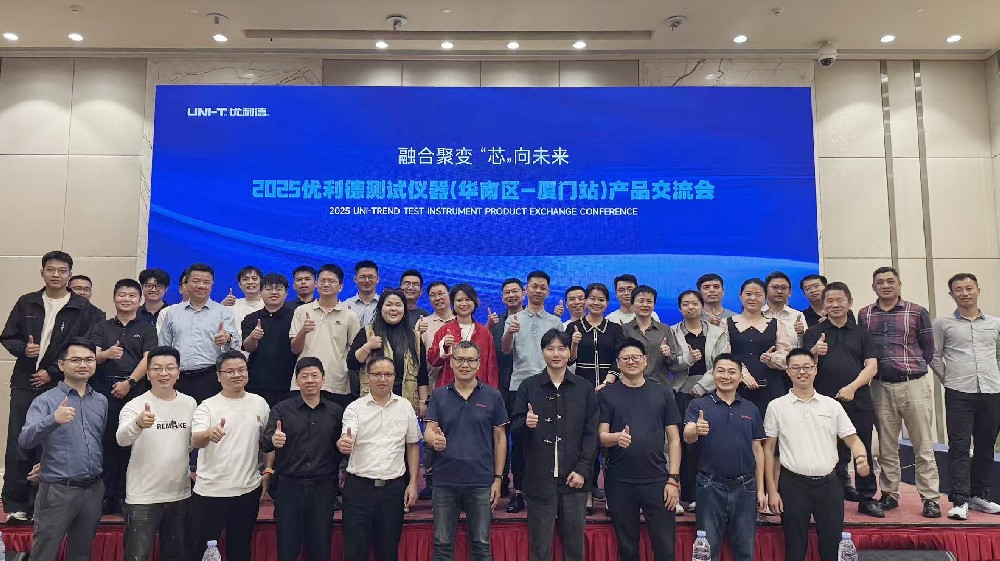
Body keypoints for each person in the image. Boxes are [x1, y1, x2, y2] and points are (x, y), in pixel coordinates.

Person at [1, 250, 104, 523]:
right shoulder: (27, 302)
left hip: (59, 385)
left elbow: (85, 347)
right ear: (42, 272)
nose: (56, 275)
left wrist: (52, 372)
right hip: (25, 382)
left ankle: (41, 504)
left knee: (53, 445)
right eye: (50, 269)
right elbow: (8, 336)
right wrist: (23, 349)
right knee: (20, 441)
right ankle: (15, 504)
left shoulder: (84, 309)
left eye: (62, 270)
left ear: (70, 274)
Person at [764, 348, 871, 561]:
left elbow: (853, 439)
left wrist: (861, 457)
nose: (802, 372)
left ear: (815, 369)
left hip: (829, 485)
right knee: (794, 549)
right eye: (796, 368)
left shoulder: (832, 406)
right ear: (788, 371)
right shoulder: (776, 406)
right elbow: (769, 450)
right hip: (793, 485)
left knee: (831, 548)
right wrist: (772, 491)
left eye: (807, 367)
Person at [858, 266, 941, 518]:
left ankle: (930, 498)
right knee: (886, 445)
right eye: (880, 282)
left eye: (890, 281)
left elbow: (928, 349)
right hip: (880, 385)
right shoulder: (864, 314)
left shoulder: (916, 311)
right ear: (873, 287)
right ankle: (889, 494)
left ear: (899, 284)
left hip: (913, 383)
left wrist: (911, 368)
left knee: (922, 444)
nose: (885, 286)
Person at [511, 329, 598, 561]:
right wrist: (525, 423)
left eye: (561, 348)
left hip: (574, 479)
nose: (556, 354)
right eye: (550, 348)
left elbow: (591, 434)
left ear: (570, 352)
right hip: (539, 479)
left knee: (575, 549)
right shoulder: (528, 386)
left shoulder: (584, 388)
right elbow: (515, 426)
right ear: (543, 352)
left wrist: (582, 469)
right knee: (540, 550)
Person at [18, 337, 107, 561]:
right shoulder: (45, 401)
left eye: (89, 359)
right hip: (58, 490)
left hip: (93, 489)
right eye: (76, 360)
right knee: (44, 553)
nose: (83, 364)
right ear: (61, 364)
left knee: (81, 554)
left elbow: (95, 442)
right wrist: (53, 420)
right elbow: (25, 440)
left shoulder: (101, 401)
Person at [802, 282, 882, 517]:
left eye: (840, 300)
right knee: (827, 451)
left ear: (850, 303)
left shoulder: (861, 333)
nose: (835, 305)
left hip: (858, 400)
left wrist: (852, 388)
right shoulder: (813, 333)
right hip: (823, 402)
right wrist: (814, 352)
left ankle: (866, 498)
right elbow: (802, 368)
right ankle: (831, 498)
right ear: (823, 305)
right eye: (830, 301)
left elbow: (872, 366)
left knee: (862, 448)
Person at [600, 338, 682, 561]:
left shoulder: (662, 392)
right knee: (627, 550)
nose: (631, 361)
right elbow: (601, 437)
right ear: (618, 363)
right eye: (625, 358)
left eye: (636, 357)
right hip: (619, 482)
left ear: (645, 361)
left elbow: (674, 439)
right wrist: (616, 438)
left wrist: (673, 479)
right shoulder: (607, 394)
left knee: (665, 550)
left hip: (658, 481)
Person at [425, 341, 508, 561]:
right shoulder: (439, 395)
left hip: (481, 481)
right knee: (442, 546)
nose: (465, 365)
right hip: (445, 481)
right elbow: (429, 431)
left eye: (471, 360)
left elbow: (500, 439)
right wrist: (434, 440)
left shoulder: (493, 396)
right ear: (451, 362)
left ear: (479, 363)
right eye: (460, 359)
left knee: (481, 545)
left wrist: (498, 478)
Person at [189, 350, 271, 561]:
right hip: (210, 493)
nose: (237, 375)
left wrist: (268, 469)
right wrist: (209, 433)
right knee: (203, 552)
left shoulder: (260, 403)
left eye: (241, 370)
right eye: (230, 371)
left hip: (247, 491)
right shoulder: (207, 406)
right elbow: (196, 440)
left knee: (241, 550)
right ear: (219, 376)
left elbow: (267, 442)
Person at [116, 346, 196, 561]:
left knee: (177, 556)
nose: (163, 373)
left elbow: (190, 443)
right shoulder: (135, 405)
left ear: (178, 372)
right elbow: (121, 439)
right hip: (143, 497)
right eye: (157, 368)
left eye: (170, 368)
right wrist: (137, 424)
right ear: (148, 373)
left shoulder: (190, 403)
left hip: (180, 494)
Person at [683, 354, 766, 561]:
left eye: (732, 372)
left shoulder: (751, 408)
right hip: (709, 485)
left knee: (745, 551)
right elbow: (687, 436)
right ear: (713, 374)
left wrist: (761, 489)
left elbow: (758, 449)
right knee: (706, 551)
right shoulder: (698, 405)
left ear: (740, 377)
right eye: (720, 371)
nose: (725, 376)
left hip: (745, 487)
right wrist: (696, 429)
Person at [338, 356, 421, 561]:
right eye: (377, 374)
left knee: (388, 551)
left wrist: (413, 483)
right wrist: (345, 442)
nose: (382, 379)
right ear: (368, 377)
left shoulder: (405, 407)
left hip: (393, 491)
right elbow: (348, 435)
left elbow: (412, 445)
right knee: (355, 553)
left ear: (394, 377)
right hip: (358, 489)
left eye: (387, 374)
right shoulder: (355, 408)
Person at [931, 273, 1000, 520]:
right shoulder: (943, 323)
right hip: (959, 392)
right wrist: (949, 380)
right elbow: (934, 355)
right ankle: (960, 500)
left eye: (969, 288)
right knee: (959, 446)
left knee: (985, 446)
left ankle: (979, 495)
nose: (965, 293)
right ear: (951, 295)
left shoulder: (995, 323)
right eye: (959, 289)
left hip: (991, 391)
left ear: (978, 290)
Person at [262, 357, 344, 561]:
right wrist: (274, 440)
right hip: (289, 489)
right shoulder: (281, 409)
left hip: (322, 489)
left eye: (315, 375)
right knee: (287, 549)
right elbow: (265, 443)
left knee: (320, 549)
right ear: (297, 380)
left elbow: (341, 448)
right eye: (304, 376)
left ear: (323, 379)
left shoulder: (335, 411)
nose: (310, 380)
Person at [89, 278, 158, 514]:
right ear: (114, 298)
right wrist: (106, 354)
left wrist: (129, 383)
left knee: (133, 441)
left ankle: (128, 495)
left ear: (139, 300)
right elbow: (92, 356)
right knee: (107, 441)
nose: (126, 299)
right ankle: (107, 496)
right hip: (104, 388)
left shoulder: (147, 328)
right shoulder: (102, 326)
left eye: (131, 295)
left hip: (135, 388)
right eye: (122, 294)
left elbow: (148, 359)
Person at [501, 271, 564, 513]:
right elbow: (506, 350)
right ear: (526, 290)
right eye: (534, 286)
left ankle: (546, 490)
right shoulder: (514, 318)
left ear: (548, 291)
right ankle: (519, 491)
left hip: (549, 385)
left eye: (543, 287)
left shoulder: (555, 321)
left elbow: (561, 355)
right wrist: (510, 332)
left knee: (549, 439)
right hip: (519, 386)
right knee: (520, 440)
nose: (538, 291)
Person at [566, 283, 625, 510]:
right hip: (582, 391)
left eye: (601, 299)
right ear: (585, 301)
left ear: (607, 303)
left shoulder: (615, 328)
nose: (596, 303)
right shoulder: (573, 327)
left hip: (610, 391)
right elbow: (569, 360)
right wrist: (574, 344)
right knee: (586, 441)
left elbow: (620, 358)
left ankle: (611, 495)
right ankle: (587, 493)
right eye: (592, 298)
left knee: (610, 443)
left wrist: (608, 382)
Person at [672, 290, 729, 511]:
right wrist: (686, 359)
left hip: (710, 392)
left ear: (701, 306)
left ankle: (706, 493)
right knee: (684, 443)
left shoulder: (717, 332)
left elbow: (722, 362)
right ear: (680, 308)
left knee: (708, 443)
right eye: (685, 304)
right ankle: (684, 494)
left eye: (695, 303)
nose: (691, 308)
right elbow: (669, 364)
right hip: (680, 392)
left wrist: (701, 386)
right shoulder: (672, 331)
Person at [158, 263, 241, 404]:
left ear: (212, 285)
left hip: (210, 377)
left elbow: (235, 344)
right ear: (186, 284)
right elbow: (163, 347)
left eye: (206, 282)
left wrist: (227, 338)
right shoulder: (172, 313)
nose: (201, 286)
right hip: (178, 377)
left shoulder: (223, 312)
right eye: (196, 281)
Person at [289, 264, 361, 410]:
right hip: (305, 381)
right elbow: (294, 349)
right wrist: (303, 331)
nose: (326, 284)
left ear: (340, 286)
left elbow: (355, 352)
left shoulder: (350, 315)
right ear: (316, 284)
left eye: (331, 281)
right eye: (322, 280)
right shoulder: (301, 311)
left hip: (337, 383)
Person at [348, 289, 430, 414]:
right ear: (380, 308)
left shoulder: (415, 337)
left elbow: (422, 374)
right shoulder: (367, 332)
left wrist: (423, 401)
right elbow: (351, 364)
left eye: (398, 305)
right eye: (388, 304)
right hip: (373, 404)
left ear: (404, 310)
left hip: (406, 403)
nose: (393, 309)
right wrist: (368, 347)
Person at [727, 278, 792, 416]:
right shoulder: (726, 324)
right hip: (735, 387)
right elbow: (723, 356)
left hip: (771, 388)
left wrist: (772, 358)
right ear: (740, 296)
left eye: (758, 295)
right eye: (748, 294)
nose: (753, 298)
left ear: (765, 298)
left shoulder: (777, 324)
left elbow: (787, 355)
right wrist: (742, 374)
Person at [242, 272, 298, 407]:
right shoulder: (251, 318)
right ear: (260, 293)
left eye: (279, 289)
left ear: (286, 293)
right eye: (268, 289)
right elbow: (248, 348)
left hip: (288, 384)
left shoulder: (296, 316)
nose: (273, 292)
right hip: (256, 383)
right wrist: (253, 337)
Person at [429, 283, 499, 388]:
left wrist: (492, 393)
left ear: (474, 302)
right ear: (453, 303)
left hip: (479, 390)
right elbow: (432, 360)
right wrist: (444, 347)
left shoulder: (484, 333)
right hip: (449, 389)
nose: (464, 303)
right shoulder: (444, 330)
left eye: (468, 299)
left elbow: (491, 366)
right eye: (459, 300)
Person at [490, 278, 524, 498]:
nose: (511, 295)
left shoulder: (532, 319)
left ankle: (521, 487)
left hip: (524, 386)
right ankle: (500, 480)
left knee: (521, 437)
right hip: (501, 385)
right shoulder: (497, 323)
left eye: (515, 291)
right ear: (502, 297)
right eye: (507, 292)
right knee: (499, 434)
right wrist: (488, 328)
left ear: (523, 293)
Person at [620, 285, 683, 388]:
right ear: (632, 305)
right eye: (641, 301)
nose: (645, 305)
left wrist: (668, 355)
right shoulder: (624, 330)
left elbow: (675, 365)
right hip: (631, 386)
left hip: (660, 386)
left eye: (649, 301)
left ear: (654, 305)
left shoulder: (664, 329)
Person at [422, 281, 454, 388]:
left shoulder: (461, 321)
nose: (437, 298)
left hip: (458, 385)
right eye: (433, 295)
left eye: (441, 293)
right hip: (431, 386)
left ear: (449, 294)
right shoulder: (423, 323)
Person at [762, 271, 807, 345]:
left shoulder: (797, 315)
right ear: (765, 290)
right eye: (775, 287)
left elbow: (805, 346)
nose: (779, 291)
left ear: (789, 292)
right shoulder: (758, 313)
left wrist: (801, 334)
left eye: (784, 288)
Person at [347, 260, 381, 326]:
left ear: (377, 279)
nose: (367, 280)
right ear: (355, 279)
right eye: (362, 277)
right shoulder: (346, 305)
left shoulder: (384, 305)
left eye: (371, 277)